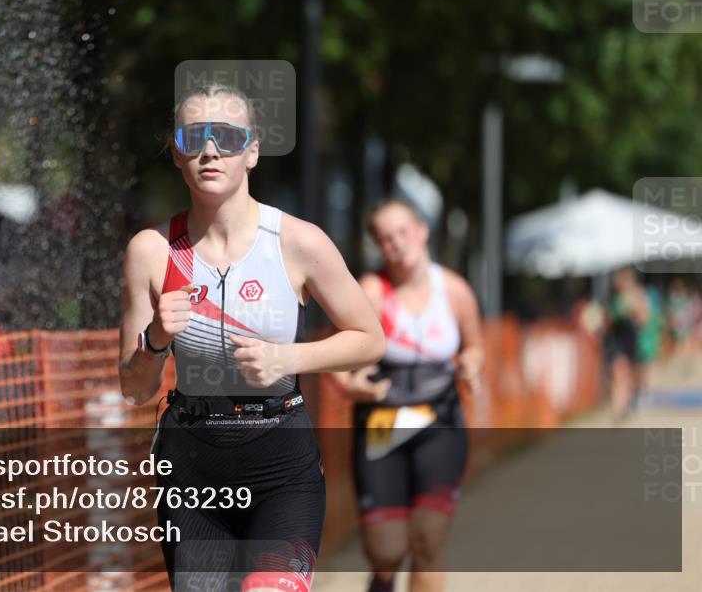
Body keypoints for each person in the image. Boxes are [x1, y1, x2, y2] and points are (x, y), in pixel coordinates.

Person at [118, 83, 386, 592]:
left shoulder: (297, 241)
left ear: (253, 151)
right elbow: (134, 390)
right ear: (177, 152)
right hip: (192, 467)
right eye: (193, 136)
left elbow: (370, 338)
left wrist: (287, 358)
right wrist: (155, 339)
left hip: (280, 462)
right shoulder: (152, 252)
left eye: (227, 136)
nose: (210, 150)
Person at [331, 198, 483, 592]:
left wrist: (470, 364)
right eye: (386, 238)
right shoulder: (371, 291)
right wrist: (351, 384)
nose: (397, 243)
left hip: (440, 420)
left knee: (429, 540)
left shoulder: (454, 290)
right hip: (383, 423)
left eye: (403, 232)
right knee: (386, 550)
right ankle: (381, 579)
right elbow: (337, 361)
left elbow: (475, 346)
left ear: (422, 231)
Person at [604, 267, 649, 420]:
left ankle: (627, 401)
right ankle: (618, 408)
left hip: (630, 339)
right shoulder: (613, 297)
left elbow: (644, 320)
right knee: (618, 372)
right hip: (616, 340)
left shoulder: (637, 295)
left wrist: (633, 311)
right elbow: (608, 321)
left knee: (628, 374)